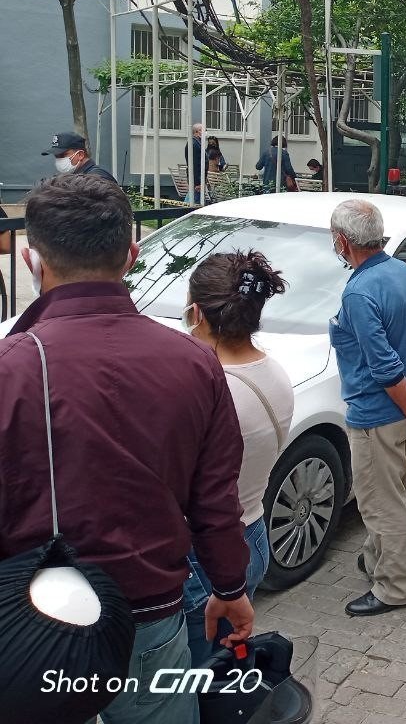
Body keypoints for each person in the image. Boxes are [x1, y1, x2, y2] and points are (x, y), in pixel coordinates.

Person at [0, 175, 251, 724]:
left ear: (30, 259)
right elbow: (215, 502)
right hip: (150, 614)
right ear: (132, 255)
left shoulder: (12, 364)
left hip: (31, 623)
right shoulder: (194, 362)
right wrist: (230, 586)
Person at [329, 199, 406, 616]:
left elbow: (383, 366)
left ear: (343, 241)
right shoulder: (404, 272)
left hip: (380, 416)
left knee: (381, 503)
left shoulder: (360, 291)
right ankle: (376, 559)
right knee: (390, 493)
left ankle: (395, 586)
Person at [182, 250, 293, 664]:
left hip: (206, 556)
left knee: (194, 670)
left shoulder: (211, 390)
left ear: (196, 313)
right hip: (253, 534)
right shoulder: (274, 371)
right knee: (225, 658)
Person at [41, 131, 116, 183]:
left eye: (62, 155)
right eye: (56, 156)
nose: (59, 160)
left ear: (80, 155)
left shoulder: (96, 178)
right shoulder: (77, 176)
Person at [184, 123, 206, 202]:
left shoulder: (197, 143)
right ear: (197, 132)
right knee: (193, 200)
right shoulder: (194, 144)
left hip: (198, 178)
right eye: (203, 130)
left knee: (194, 198)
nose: (205, 132)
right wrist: (197, 182)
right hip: (197, 179)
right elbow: (195, 164)